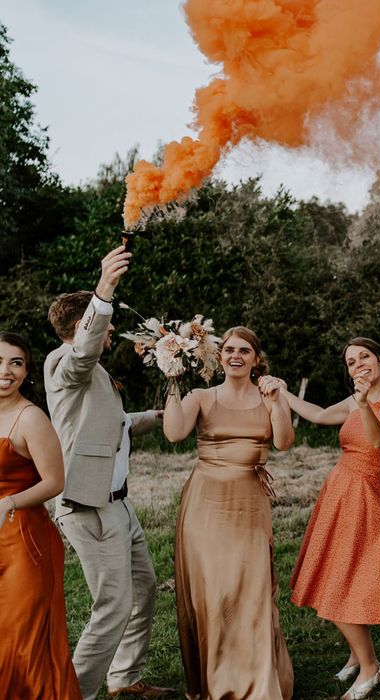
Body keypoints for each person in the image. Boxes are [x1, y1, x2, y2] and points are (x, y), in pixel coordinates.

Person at [44, 246, 170, 700]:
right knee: (112, 606)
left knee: (145, 588)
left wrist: (154, 416)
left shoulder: (94, 371)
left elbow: (109, 425)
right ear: (83, 329)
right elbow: (81, 355)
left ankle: (124, 678)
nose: (112, 331)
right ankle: (74, 692)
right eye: (104, 324)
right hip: (88, 505)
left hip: (120, 503)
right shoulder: (65, 364)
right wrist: (104, 290)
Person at [163, 326, 294, 700]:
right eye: (229, 350)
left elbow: (284, 442)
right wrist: (173, 380)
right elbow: (174, 434)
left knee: (252, 588)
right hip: (205, 503)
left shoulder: (267, 394)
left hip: (250, 501)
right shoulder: (202, 396)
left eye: (244, 350)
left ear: (256, 359)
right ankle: (216, 680)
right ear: (219, 357)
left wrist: (277, 402)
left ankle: (258, 682)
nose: (235, 355)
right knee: (214, 590)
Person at [276, 337, 380, 700]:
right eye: (350, 362)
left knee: (341, 581)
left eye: (364, 356)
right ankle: (356, 655)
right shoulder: (352, 400)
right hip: (339, 492)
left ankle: (371, 669)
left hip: (367, 496)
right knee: (334, 572)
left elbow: (379, 440)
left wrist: (363, 404)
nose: (358, 364)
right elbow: (316, 415)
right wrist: (282, 393)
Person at [0, 331, 82, 699]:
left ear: (26, 371)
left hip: (24, 543)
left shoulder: (31, 418)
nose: (6, 370)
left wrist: (10, 503)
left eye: (15, 363)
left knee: (22, 641)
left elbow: (55, 480)